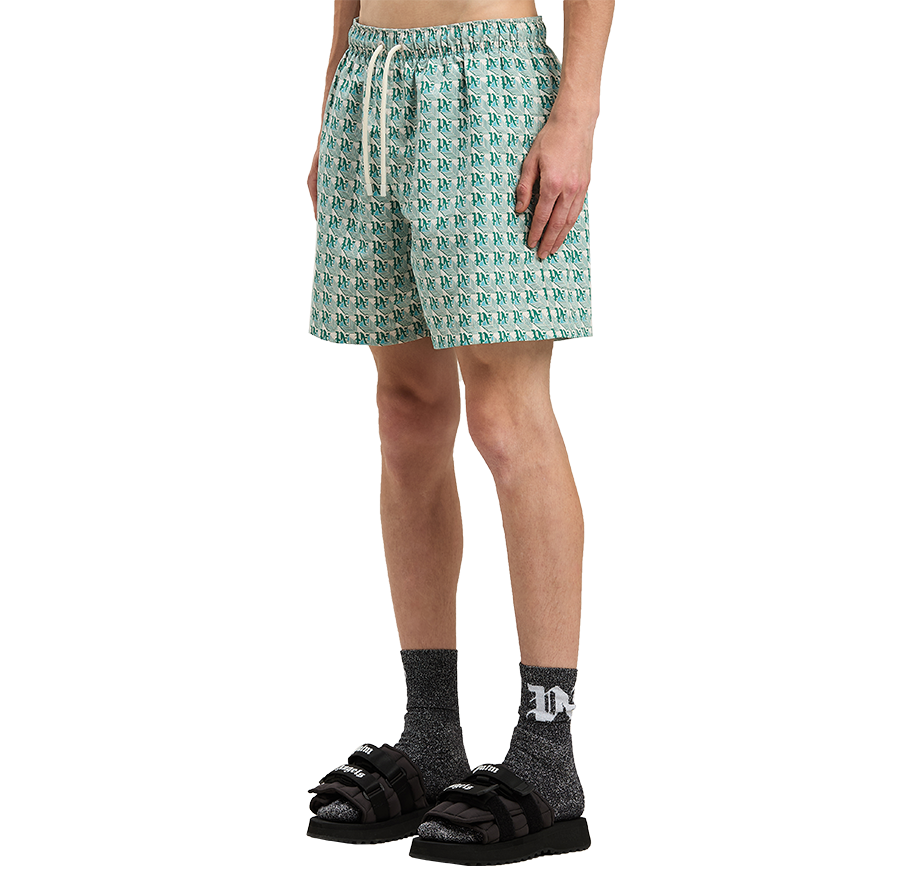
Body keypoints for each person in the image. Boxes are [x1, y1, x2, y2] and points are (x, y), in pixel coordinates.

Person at [307, 0, 614, 865]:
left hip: (488, 78)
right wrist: (333, 95)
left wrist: (576, 113)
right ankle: (433, 735)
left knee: (506, 419)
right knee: (405, 412)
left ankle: (547, 755)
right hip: (371, 81)